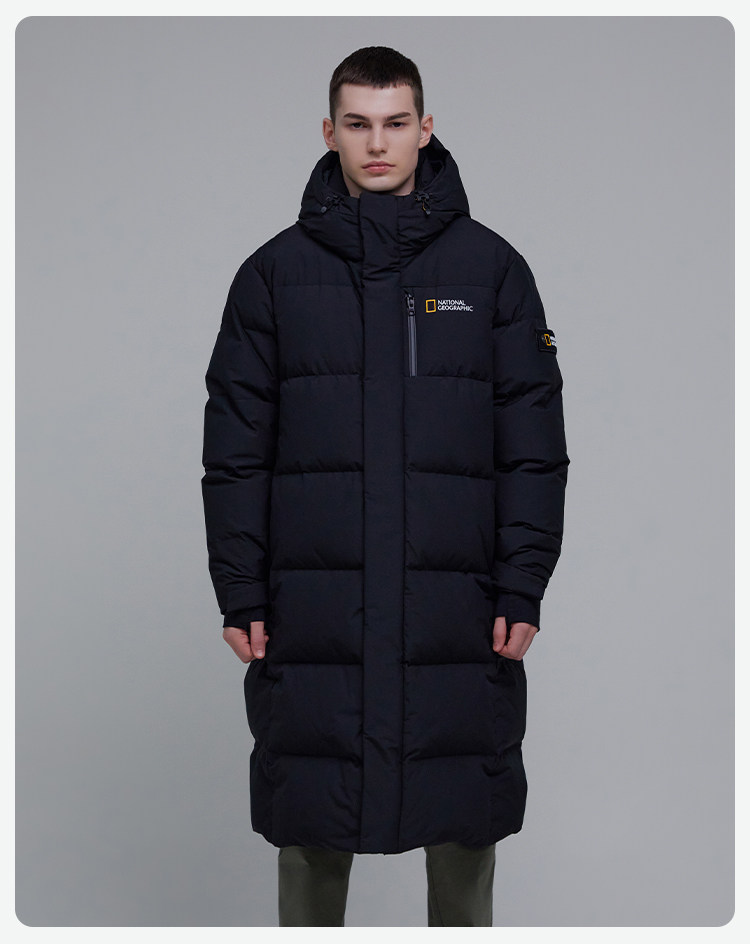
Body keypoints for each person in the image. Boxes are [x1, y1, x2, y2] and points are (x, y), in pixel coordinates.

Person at [201, 46, 569, 927]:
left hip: (458, 605)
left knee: (465, 821)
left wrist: (522, 583)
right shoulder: (271, 277)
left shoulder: (492, 272)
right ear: (329, 132)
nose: (377, 144)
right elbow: (236, 455)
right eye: (358, 124)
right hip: (313, 607)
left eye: (396, 123)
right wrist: (241, 590)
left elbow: (533, 449)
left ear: (425, 128)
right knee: (311, 821)